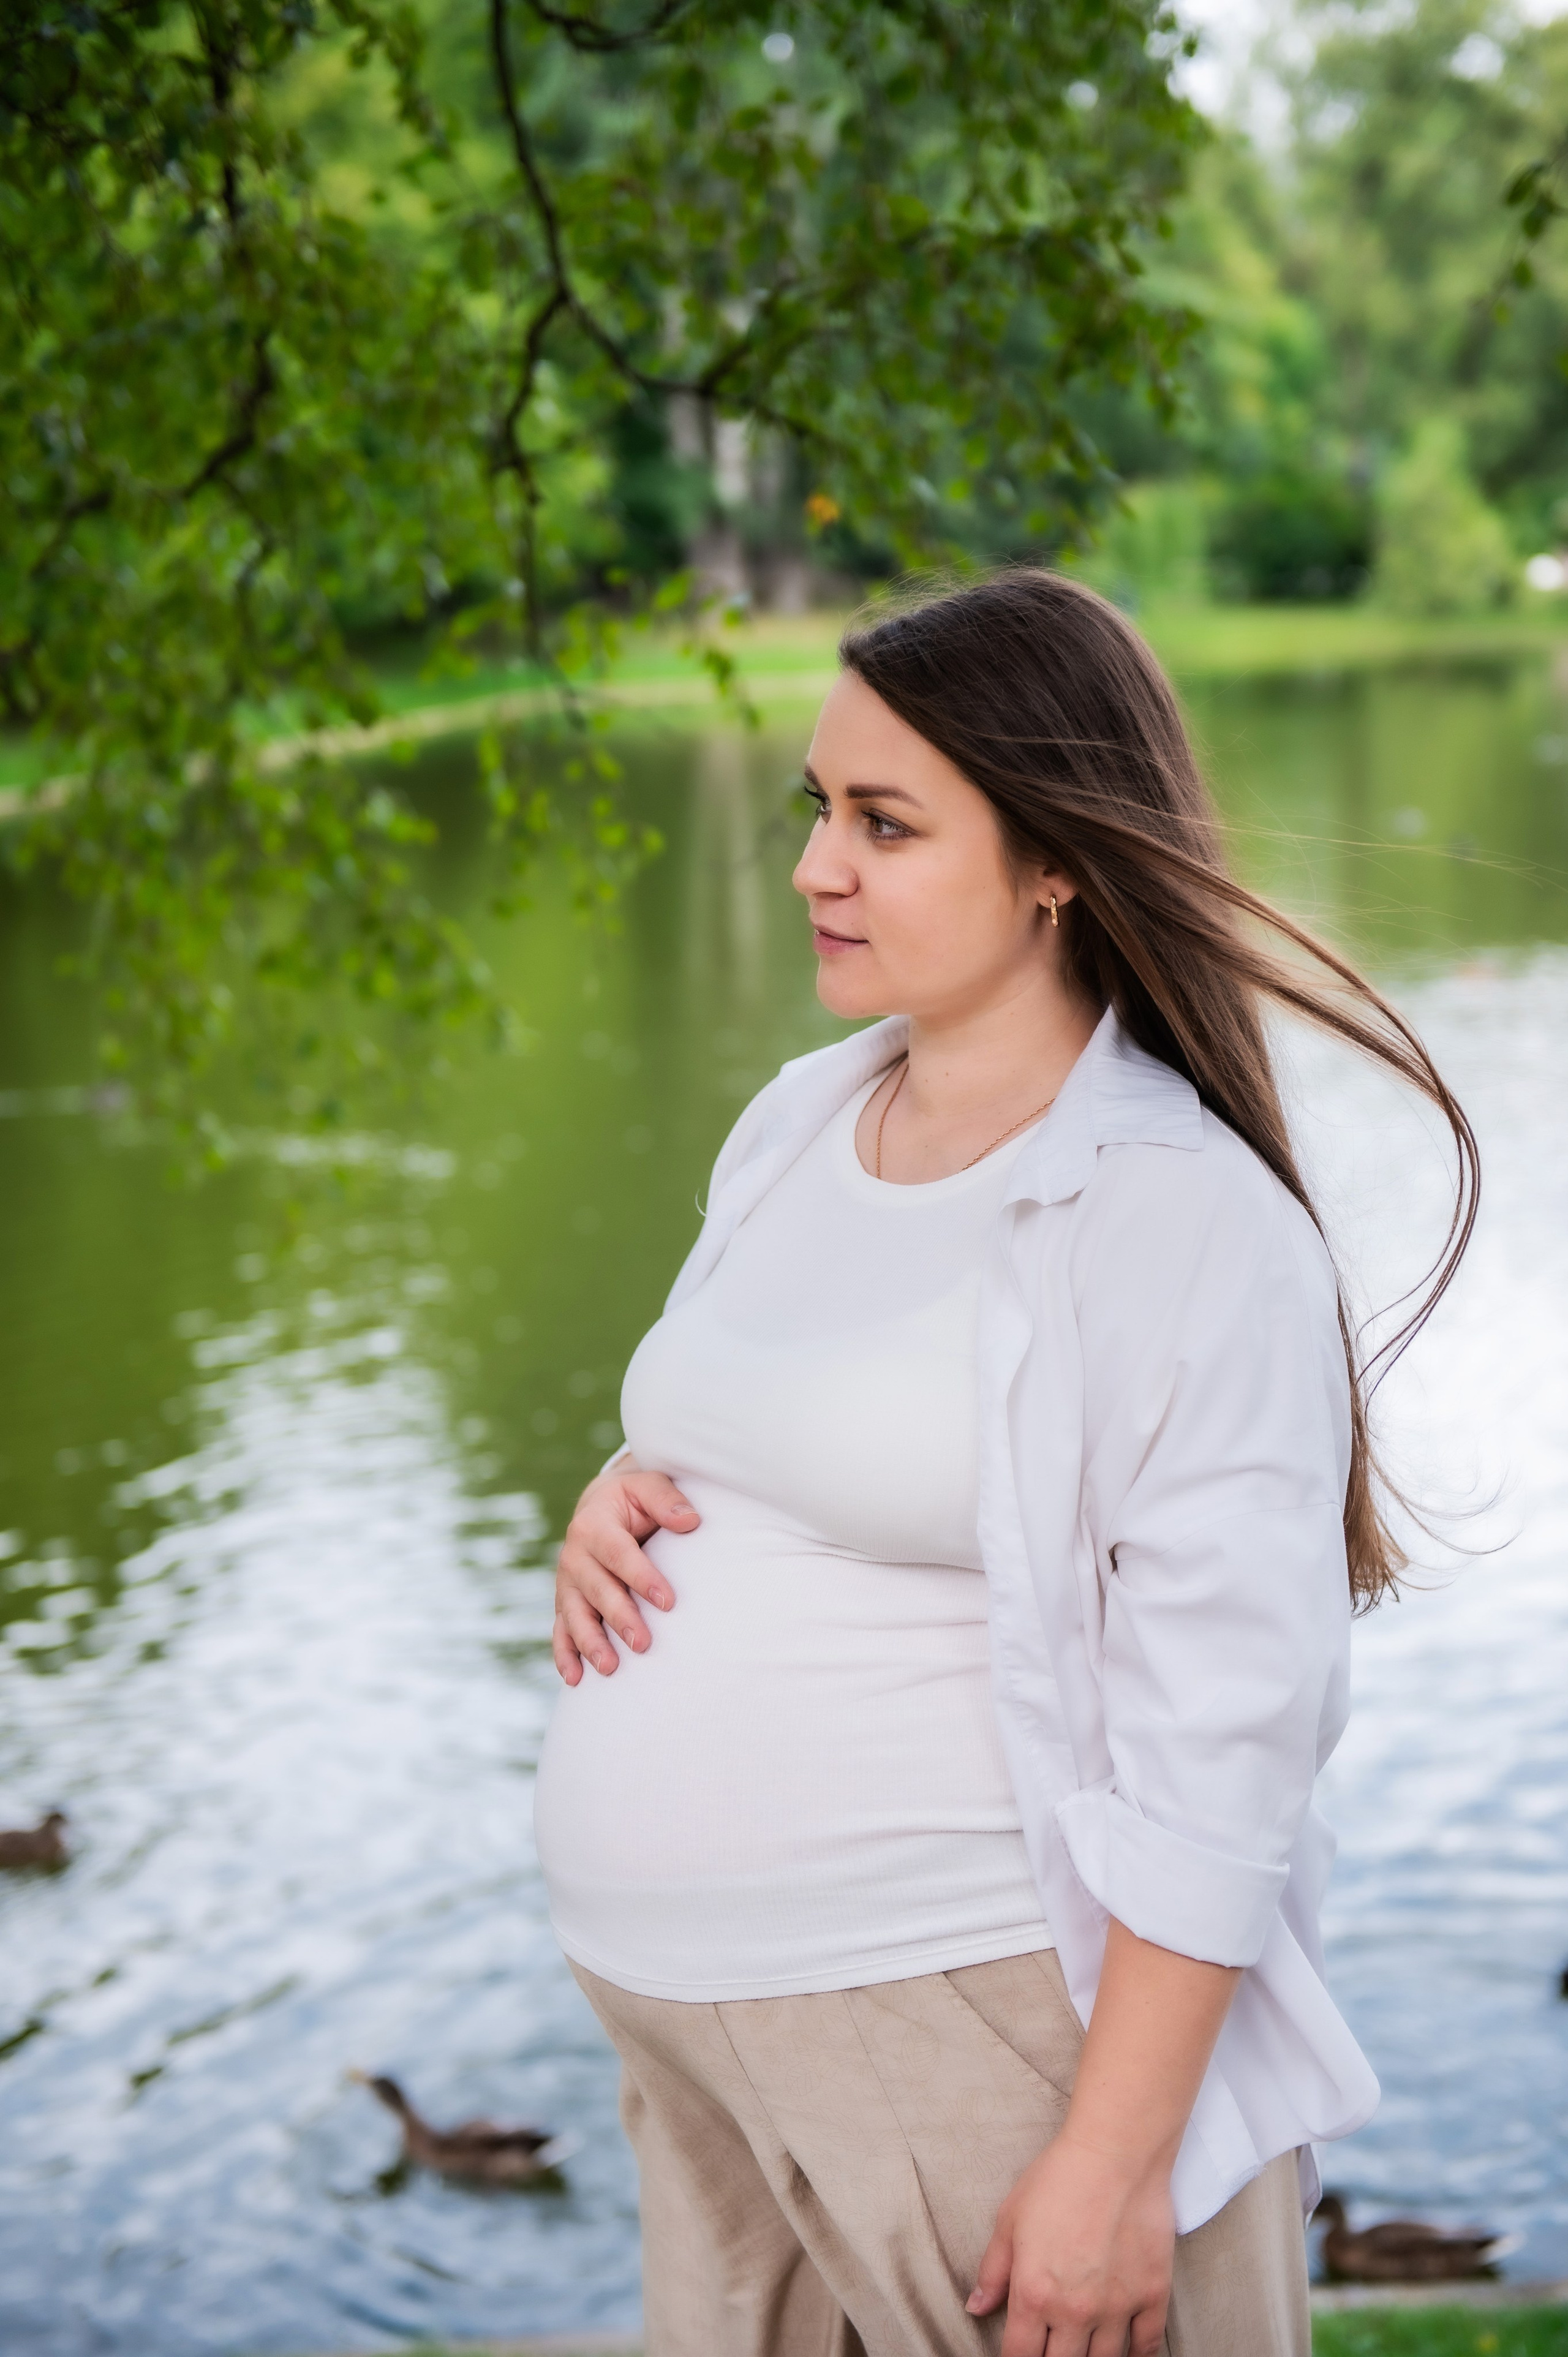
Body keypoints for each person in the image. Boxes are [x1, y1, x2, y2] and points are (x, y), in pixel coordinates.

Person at [531, 570, 1477, 2357]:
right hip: (707, 2066)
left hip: (983, 2045)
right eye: (823, 810)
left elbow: (1233, 1741)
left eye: (887, 824)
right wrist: (620, 1495)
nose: (817, 865)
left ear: (1056, 862)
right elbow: (793, 1442)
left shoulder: (1180, 1221)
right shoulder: (799, 1121)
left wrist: (1115, 2162)